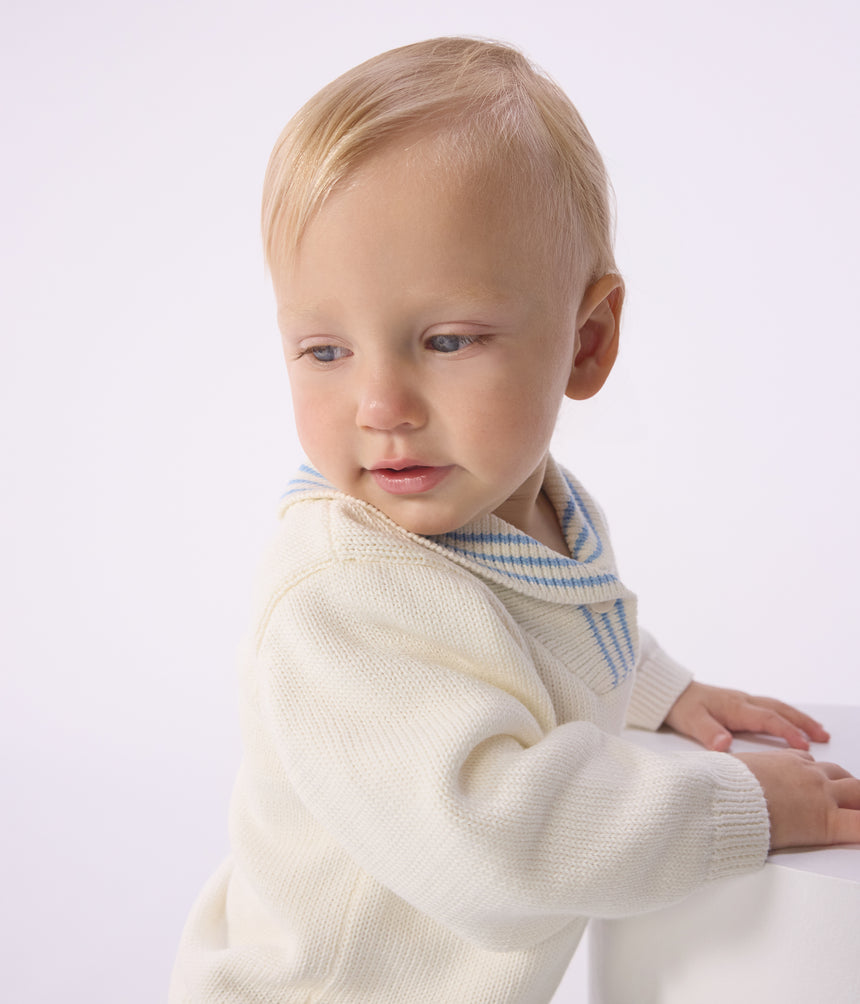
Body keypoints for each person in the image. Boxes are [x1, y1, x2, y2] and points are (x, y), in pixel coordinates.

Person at [169, 37, 860, 1003]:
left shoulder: (530, 509)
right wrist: (737, 804)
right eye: (324, 351)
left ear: (586, 341)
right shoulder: (341, 593)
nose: (380, 403)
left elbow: (537, 631)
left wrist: (652, 688)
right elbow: (496, 845)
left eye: (447, 339)